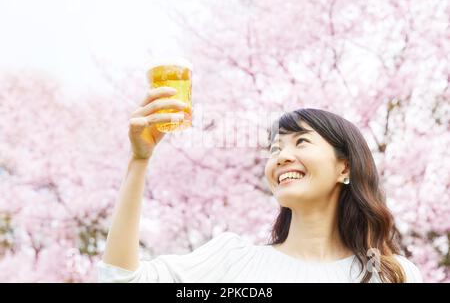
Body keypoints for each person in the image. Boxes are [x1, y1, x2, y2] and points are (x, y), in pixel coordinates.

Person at [97, 86, 422, 283]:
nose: (281, 157)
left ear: (344, 167)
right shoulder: (232, 262)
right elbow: (122, 278)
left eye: (302, 142)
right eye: (275, 149)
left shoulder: (393, 275)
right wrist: (139, 161)